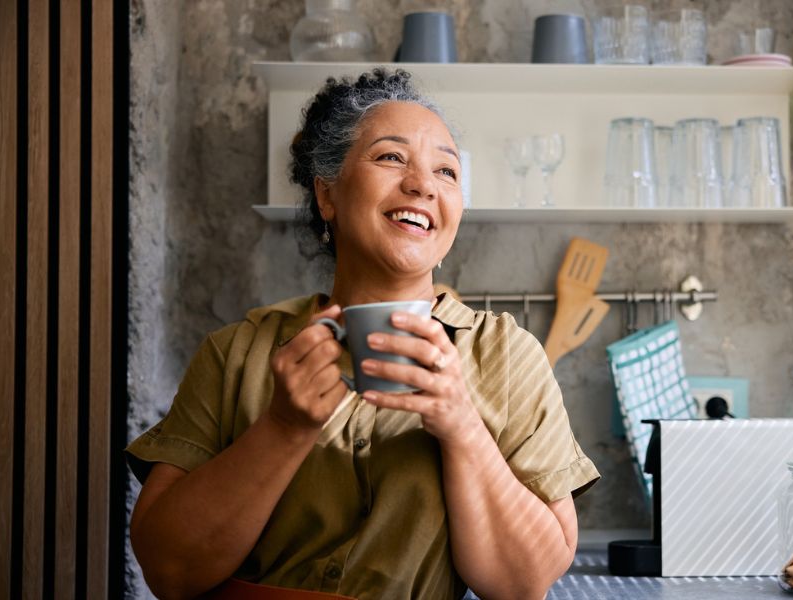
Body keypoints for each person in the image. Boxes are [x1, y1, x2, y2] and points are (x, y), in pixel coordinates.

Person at [126, 69, 600, 600]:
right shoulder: (236, 353)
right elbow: (167, 568)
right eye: (391, 157)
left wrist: (463, 426)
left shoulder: (507, 357)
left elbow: (525, 583)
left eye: (446, 170)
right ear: (327, 195)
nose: (422, 184)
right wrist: (282, 427)